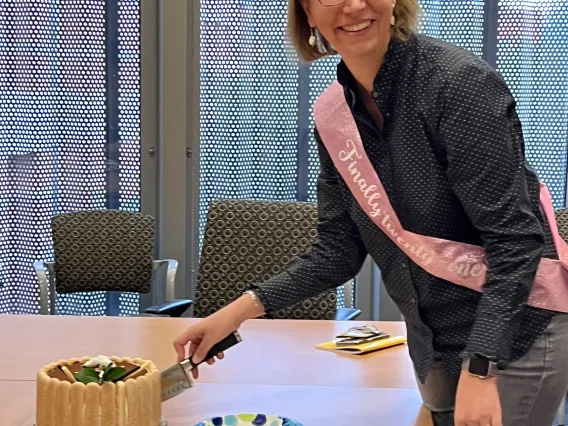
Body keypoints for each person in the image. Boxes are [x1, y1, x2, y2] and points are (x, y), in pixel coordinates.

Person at [174, 1, 568, 425]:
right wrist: (230, 316)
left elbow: (515, 239)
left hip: (514, 333)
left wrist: (481, 368)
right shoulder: (334, 114)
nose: (355, 5)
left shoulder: (457, 84)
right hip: (432, 340)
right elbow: (337, 251)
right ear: (306, 12)